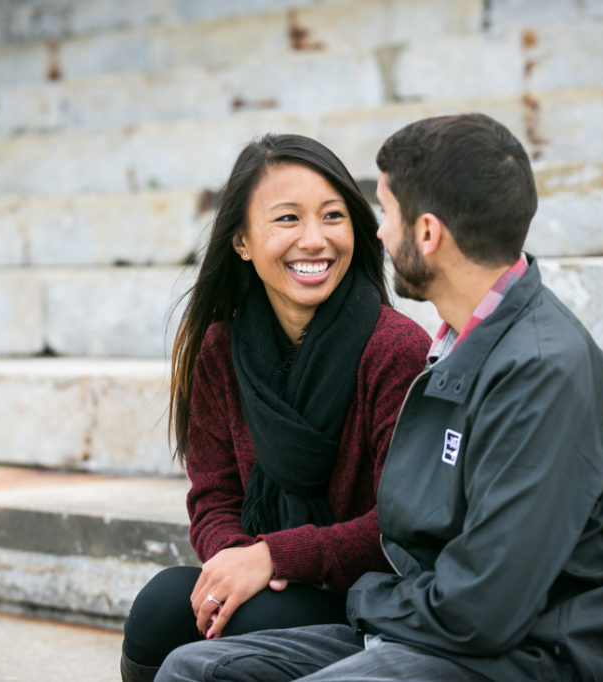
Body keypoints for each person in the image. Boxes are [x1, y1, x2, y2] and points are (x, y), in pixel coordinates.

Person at [155, 113, 603, 681]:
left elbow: (484, 605)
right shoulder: (462, 350)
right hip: (434, 630)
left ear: (426, 234)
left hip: (539, 656)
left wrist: (353, 595)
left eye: (386, 213)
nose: (375, 232)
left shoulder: (541, 372)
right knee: (193, 671)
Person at [119, 133, 432, 681]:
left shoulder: (394, 350)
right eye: (287, 219)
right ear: (241, 241)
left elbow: (399, 528)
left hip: (369, 593)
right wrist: (236, 561)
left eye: (332, 216)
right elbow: (213, 498)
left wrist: (273, 560)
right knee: (159, 608)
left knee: (248, 620)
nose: (315, 240)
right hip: (274, 572)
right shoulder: (221, 349)